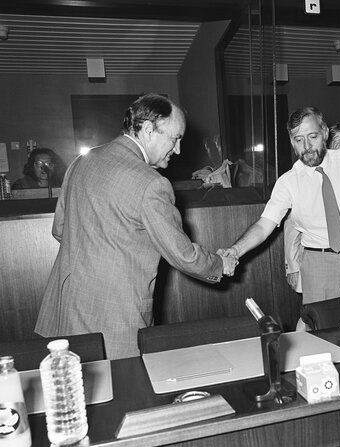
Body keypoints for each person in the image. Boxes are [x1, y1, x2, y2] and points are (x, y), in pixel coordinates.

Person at [35, 93, 237, 359]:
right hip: (114, 320)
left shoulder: (82, 161)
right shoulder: (151, 183)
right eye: (175, 138)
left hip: (64, 313)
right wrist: (220, 264)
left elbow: (59, 229)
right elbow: (183, 254)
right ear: (149, 129)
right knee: (125, 396)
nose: (177, 150)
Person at [220, 106, 340, 305]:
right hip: (318, 265)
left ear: (324, 133)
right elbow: (264, 226)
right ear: (292, 142)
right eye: (299, 139)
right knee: (322, 331)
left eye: (312, 136)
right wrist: (235, 250)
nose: (306, 146)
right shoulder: (288, 182)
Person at [284, 121, 340, 293]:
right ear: (336, 146)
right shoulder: (307, 175)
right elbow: (292, 226)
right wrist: (293, 267)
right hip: (318, 264)